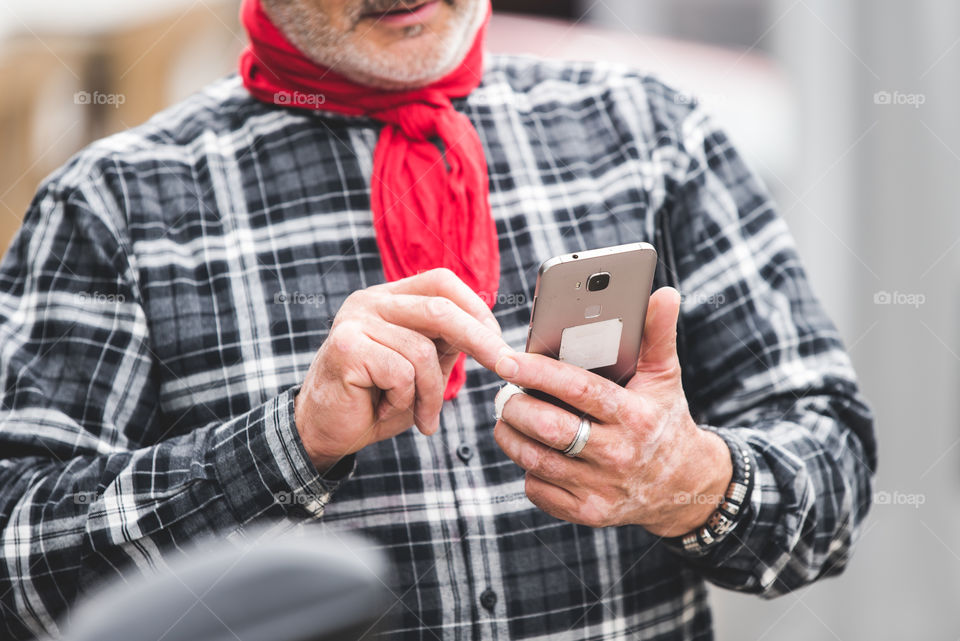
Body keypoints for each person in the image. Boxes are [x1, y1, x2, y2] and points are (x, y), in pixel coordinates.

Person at [0, 0, 877, 639]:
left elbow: (834, 482)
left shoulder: (652, 136)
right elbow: (17, 568)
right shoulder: (112, 207)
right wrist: (289, 442)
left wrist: (685, 479)